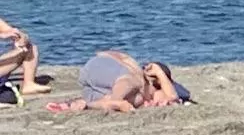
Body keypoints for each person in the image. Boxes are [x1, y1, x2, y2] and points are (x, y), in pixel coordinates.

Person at [42, 50, 187, 112]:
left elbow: (172, 97)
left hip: (94, 84)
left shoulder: (139, 99)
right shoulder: (140, 80)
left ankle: (81, 104)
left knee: (128, 99)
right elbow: (125, 82)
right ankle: (111, 101)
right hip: (101, 66)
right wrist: (159, 73)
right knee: (130, 82)